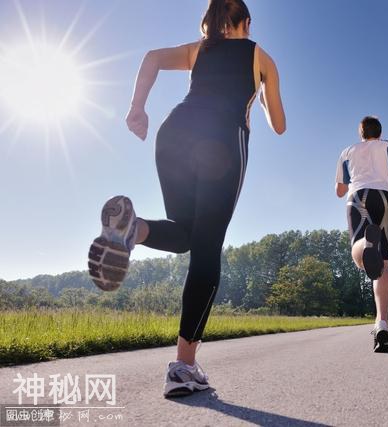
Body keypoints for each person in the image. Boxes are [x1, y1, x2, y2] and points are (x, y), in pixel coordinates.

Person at [87, 0, 285, 398]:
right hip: (222, 141)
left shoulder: (199, 49)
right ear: (246, 22)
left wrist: (137, 108)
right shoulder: (260, 57)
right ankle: (184, 366)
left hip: (173, 131)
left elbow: (152, 57)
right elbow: (278, 124)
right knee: (207, 249)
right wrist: (262, 89)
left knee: (185, 236)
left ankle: (134, 229)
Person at [335, 116, 388, 353]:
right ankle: (382, 326)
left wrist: (344, 180)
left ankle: (365, 243)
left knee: (359, 256)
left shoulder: (347, 151)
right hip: (387, 199)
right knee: (384, 265)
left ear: (361, 132)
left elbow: (339, 190)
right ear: (379, 132)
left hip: (359, 197)